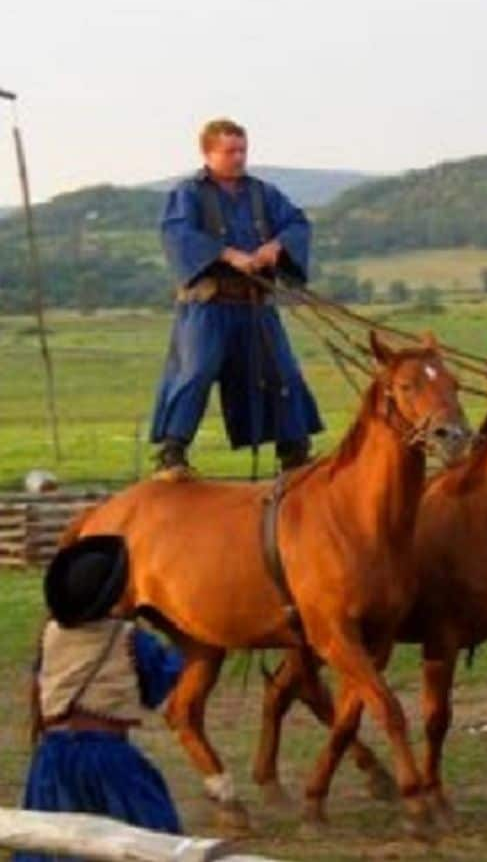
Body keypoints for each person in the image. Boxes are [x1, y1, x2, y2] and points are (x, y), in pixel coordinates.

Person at [150, 118, 323, 477]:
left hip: (255, 304)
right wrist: (229, 255)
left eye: (242, 150)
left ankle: (295, 452)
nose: (238, 157)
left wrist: (276, 247)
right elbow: (178, 234)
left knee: (283, 372)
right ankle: (173, 452)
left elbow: (296, 224)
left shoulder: (263, 193)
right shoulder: (189, 194)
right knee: (196, 372)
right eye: (230, 151)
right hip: (209, 306)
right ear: (208, 153)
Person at [18, 535, 182, 860]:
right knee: (150, 840)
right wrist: (178, 642)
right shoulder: (129, 639)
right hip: (108, 759)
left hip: (52, 757)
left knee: (53, 845)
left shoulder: (50, 634)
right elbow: (157, 687)